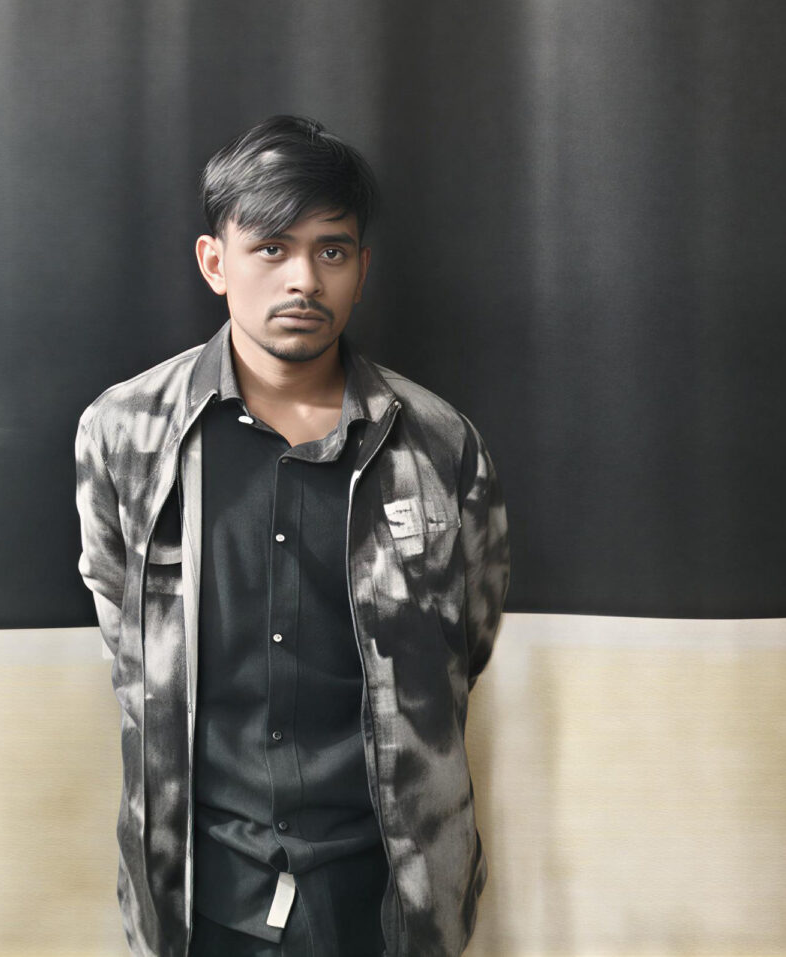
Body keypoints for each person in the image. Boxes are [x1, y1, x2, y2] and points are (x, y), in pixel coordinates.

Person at [74, 115, 510, 957]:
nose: (304, 278)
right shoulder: (124, 434)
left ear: (361, 269)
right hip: (201, 898)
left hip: (386, 900)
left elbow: (468, 645)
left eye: (331, 250)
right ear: (216, 262)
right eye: (271, 248)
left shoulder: (439, 443)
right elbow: (127, 642)